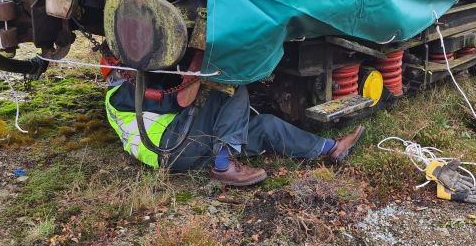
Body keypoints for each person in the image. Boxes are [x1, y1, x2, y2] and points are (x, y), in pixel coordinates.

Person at [104, 74, 364, 186]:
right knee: (231, 87)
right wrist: (202, 75)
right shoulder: (124, 92)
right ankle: (223, 165)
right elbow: (178, 100)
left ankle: (330, 147)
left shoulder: (124, 93)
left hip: (187, 149)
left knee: (265, 126)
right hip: (171, 148)